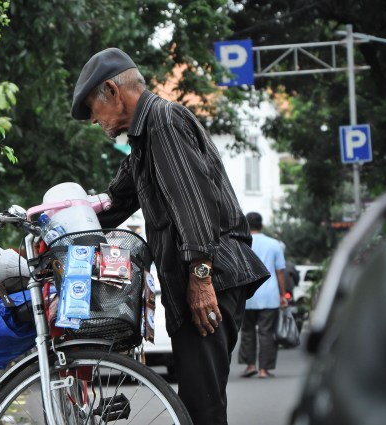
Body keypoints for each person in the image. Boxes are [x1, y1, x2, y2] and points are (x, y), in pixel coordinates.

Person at [71, 47, 270, 425]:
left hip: (213, 277)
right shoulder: (143, 141)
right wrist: (59, 225)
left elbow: (193, 205)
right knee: (198, 405)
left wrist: (200, 277)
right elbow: (115, 202)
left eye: (93, 110)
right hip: (197, 279)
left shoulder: (163, 122)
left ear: (113, 91)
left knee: (202, 407)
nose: (94, 121)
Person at [238, 212, 288, 379]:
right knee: (266, 333)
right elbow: (280, 271)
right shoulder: (274, 244)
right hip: (270, 295)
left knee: (247, 331)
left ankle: (250, 366)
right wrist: (283, 295)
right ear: (262, 225)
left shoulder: (241, 243)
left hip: (247, 296)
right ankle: (264, 370)